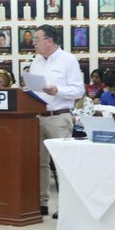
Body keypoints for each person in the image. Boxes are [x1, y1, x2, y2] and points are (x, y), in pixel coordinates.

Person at [29, 24, 84, 216]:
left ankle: (66, 205)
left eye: (37, 39)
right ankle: (41, 202)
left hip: (59, 116)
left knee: (62, 163)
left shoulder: (68, 60)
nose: (33, 43)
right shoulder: (36, 61)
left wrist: (57, 90)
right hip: (38, 117)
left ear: (49, 41)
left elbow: (79, 90)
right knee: (40, 163)